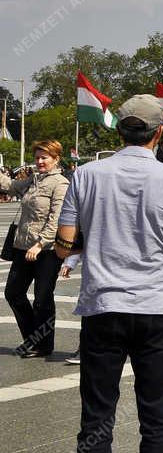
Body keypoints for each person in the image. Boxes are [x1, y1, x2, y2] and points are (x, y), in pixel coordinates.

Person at [55, 94, 163, 452]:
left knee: (96, 416)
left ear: (119, 132)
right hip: (155, 307)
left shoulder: (85, 175)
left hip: (103, 304)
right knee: (155, 417)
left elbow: (63, 244)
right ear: (158, 134)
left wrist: (93, 240)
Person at [1, 139, 69, 358]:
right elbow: (10, 186)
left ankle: (42, 344)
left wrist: (40, 243)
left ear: (56, 158)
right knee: (13, 293)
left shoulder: (60, 184)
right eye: (37, 157)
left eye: (44, 157)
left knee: (42, 299)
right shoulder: (33, 180)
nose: (39, 161)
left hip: (47, 250)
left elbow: (56, 219)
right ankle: (33, 338)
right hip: (23, 246)